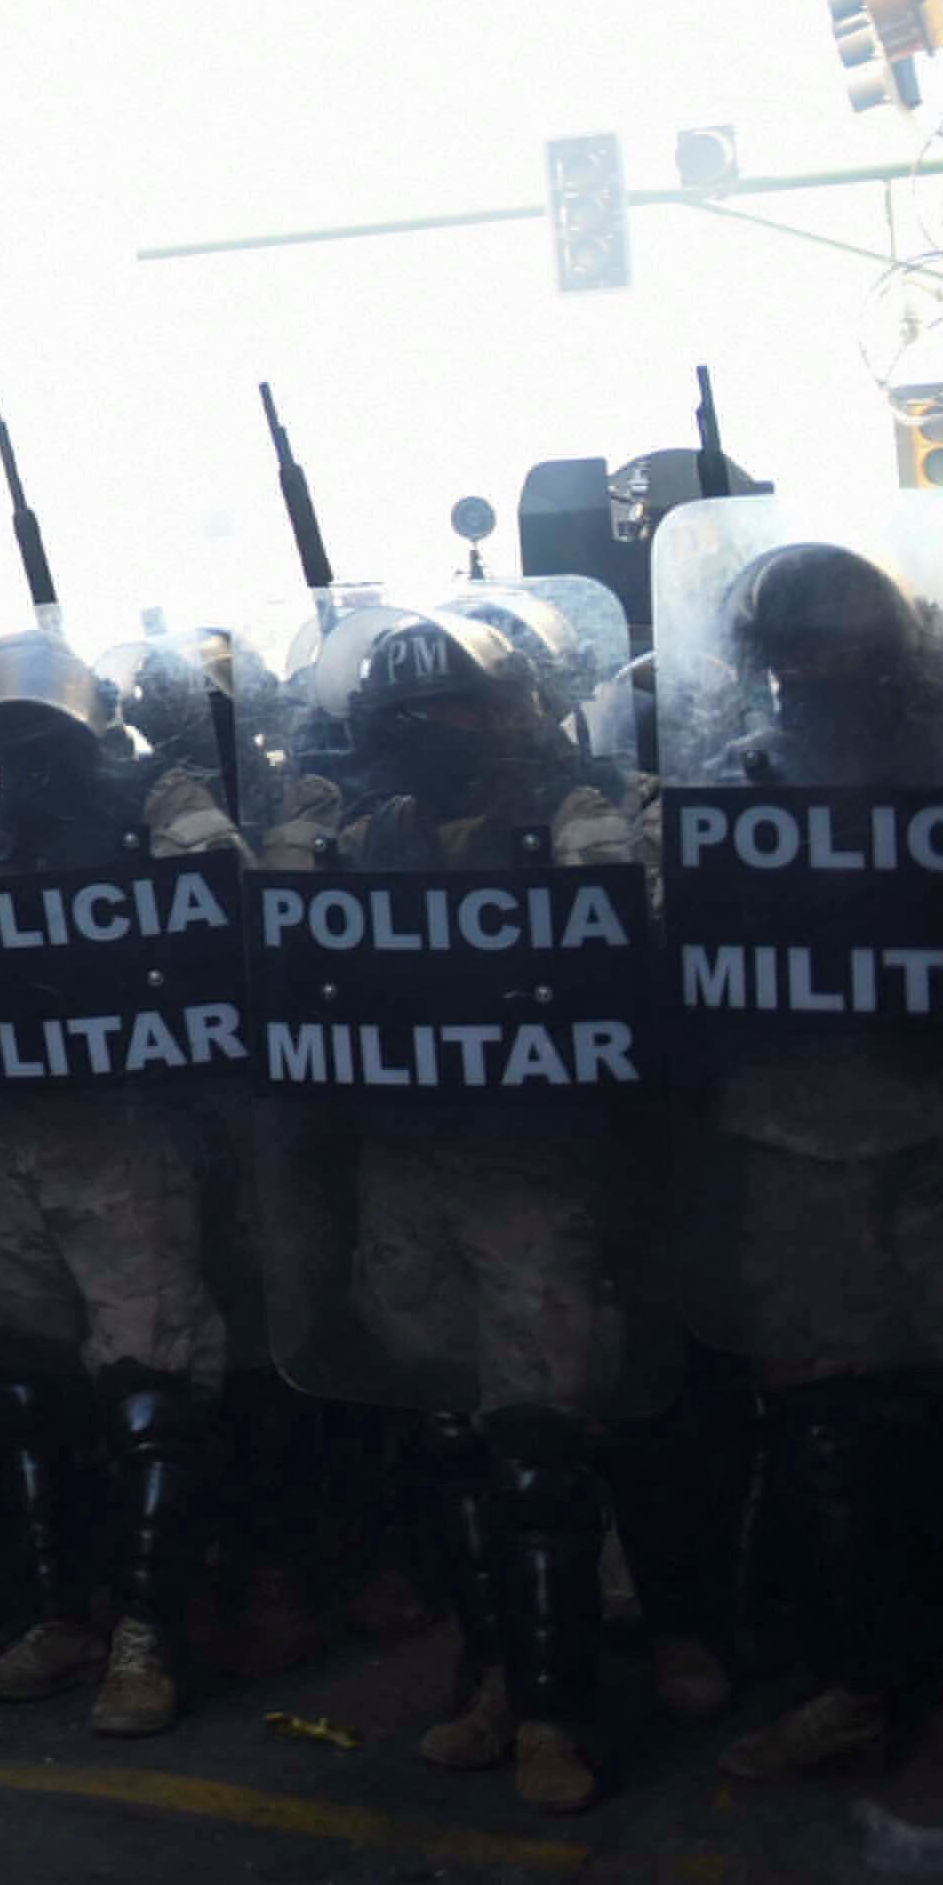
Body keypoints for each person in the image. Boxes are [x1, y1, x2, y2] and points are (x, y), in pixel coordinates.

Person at [657, 507, 943, 1778]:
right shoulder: (727, 789)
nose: (813, 675)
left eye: (834, 648)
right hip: (791, 1137)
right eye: (792, 653)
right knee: (829, 1415)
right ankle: (859, 1679)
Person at [258, 600, 661, 1812]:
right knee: (446, 1432)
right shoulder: (365, 833)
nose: (434, 730)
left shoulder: (585, 817)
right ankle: (488, 1675)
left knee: (538, 1439)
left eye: (459, 707)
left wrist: (614, 874)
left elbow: (649, 981)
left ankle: (555, 1707)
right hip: (404, 1161)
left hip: (535, 1165)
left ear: (516, 712)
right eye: (407, 713)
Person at [0, 626, 253, 1739]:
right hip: (10, 1123)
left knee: (150, 1381)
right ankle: (62, 1612)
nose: (19, 760)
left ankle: (149, 1631)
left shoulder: (162, 802)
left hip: (128, 1126)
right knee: (26, 1380)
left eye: (36, 736)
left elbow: (229, 918)